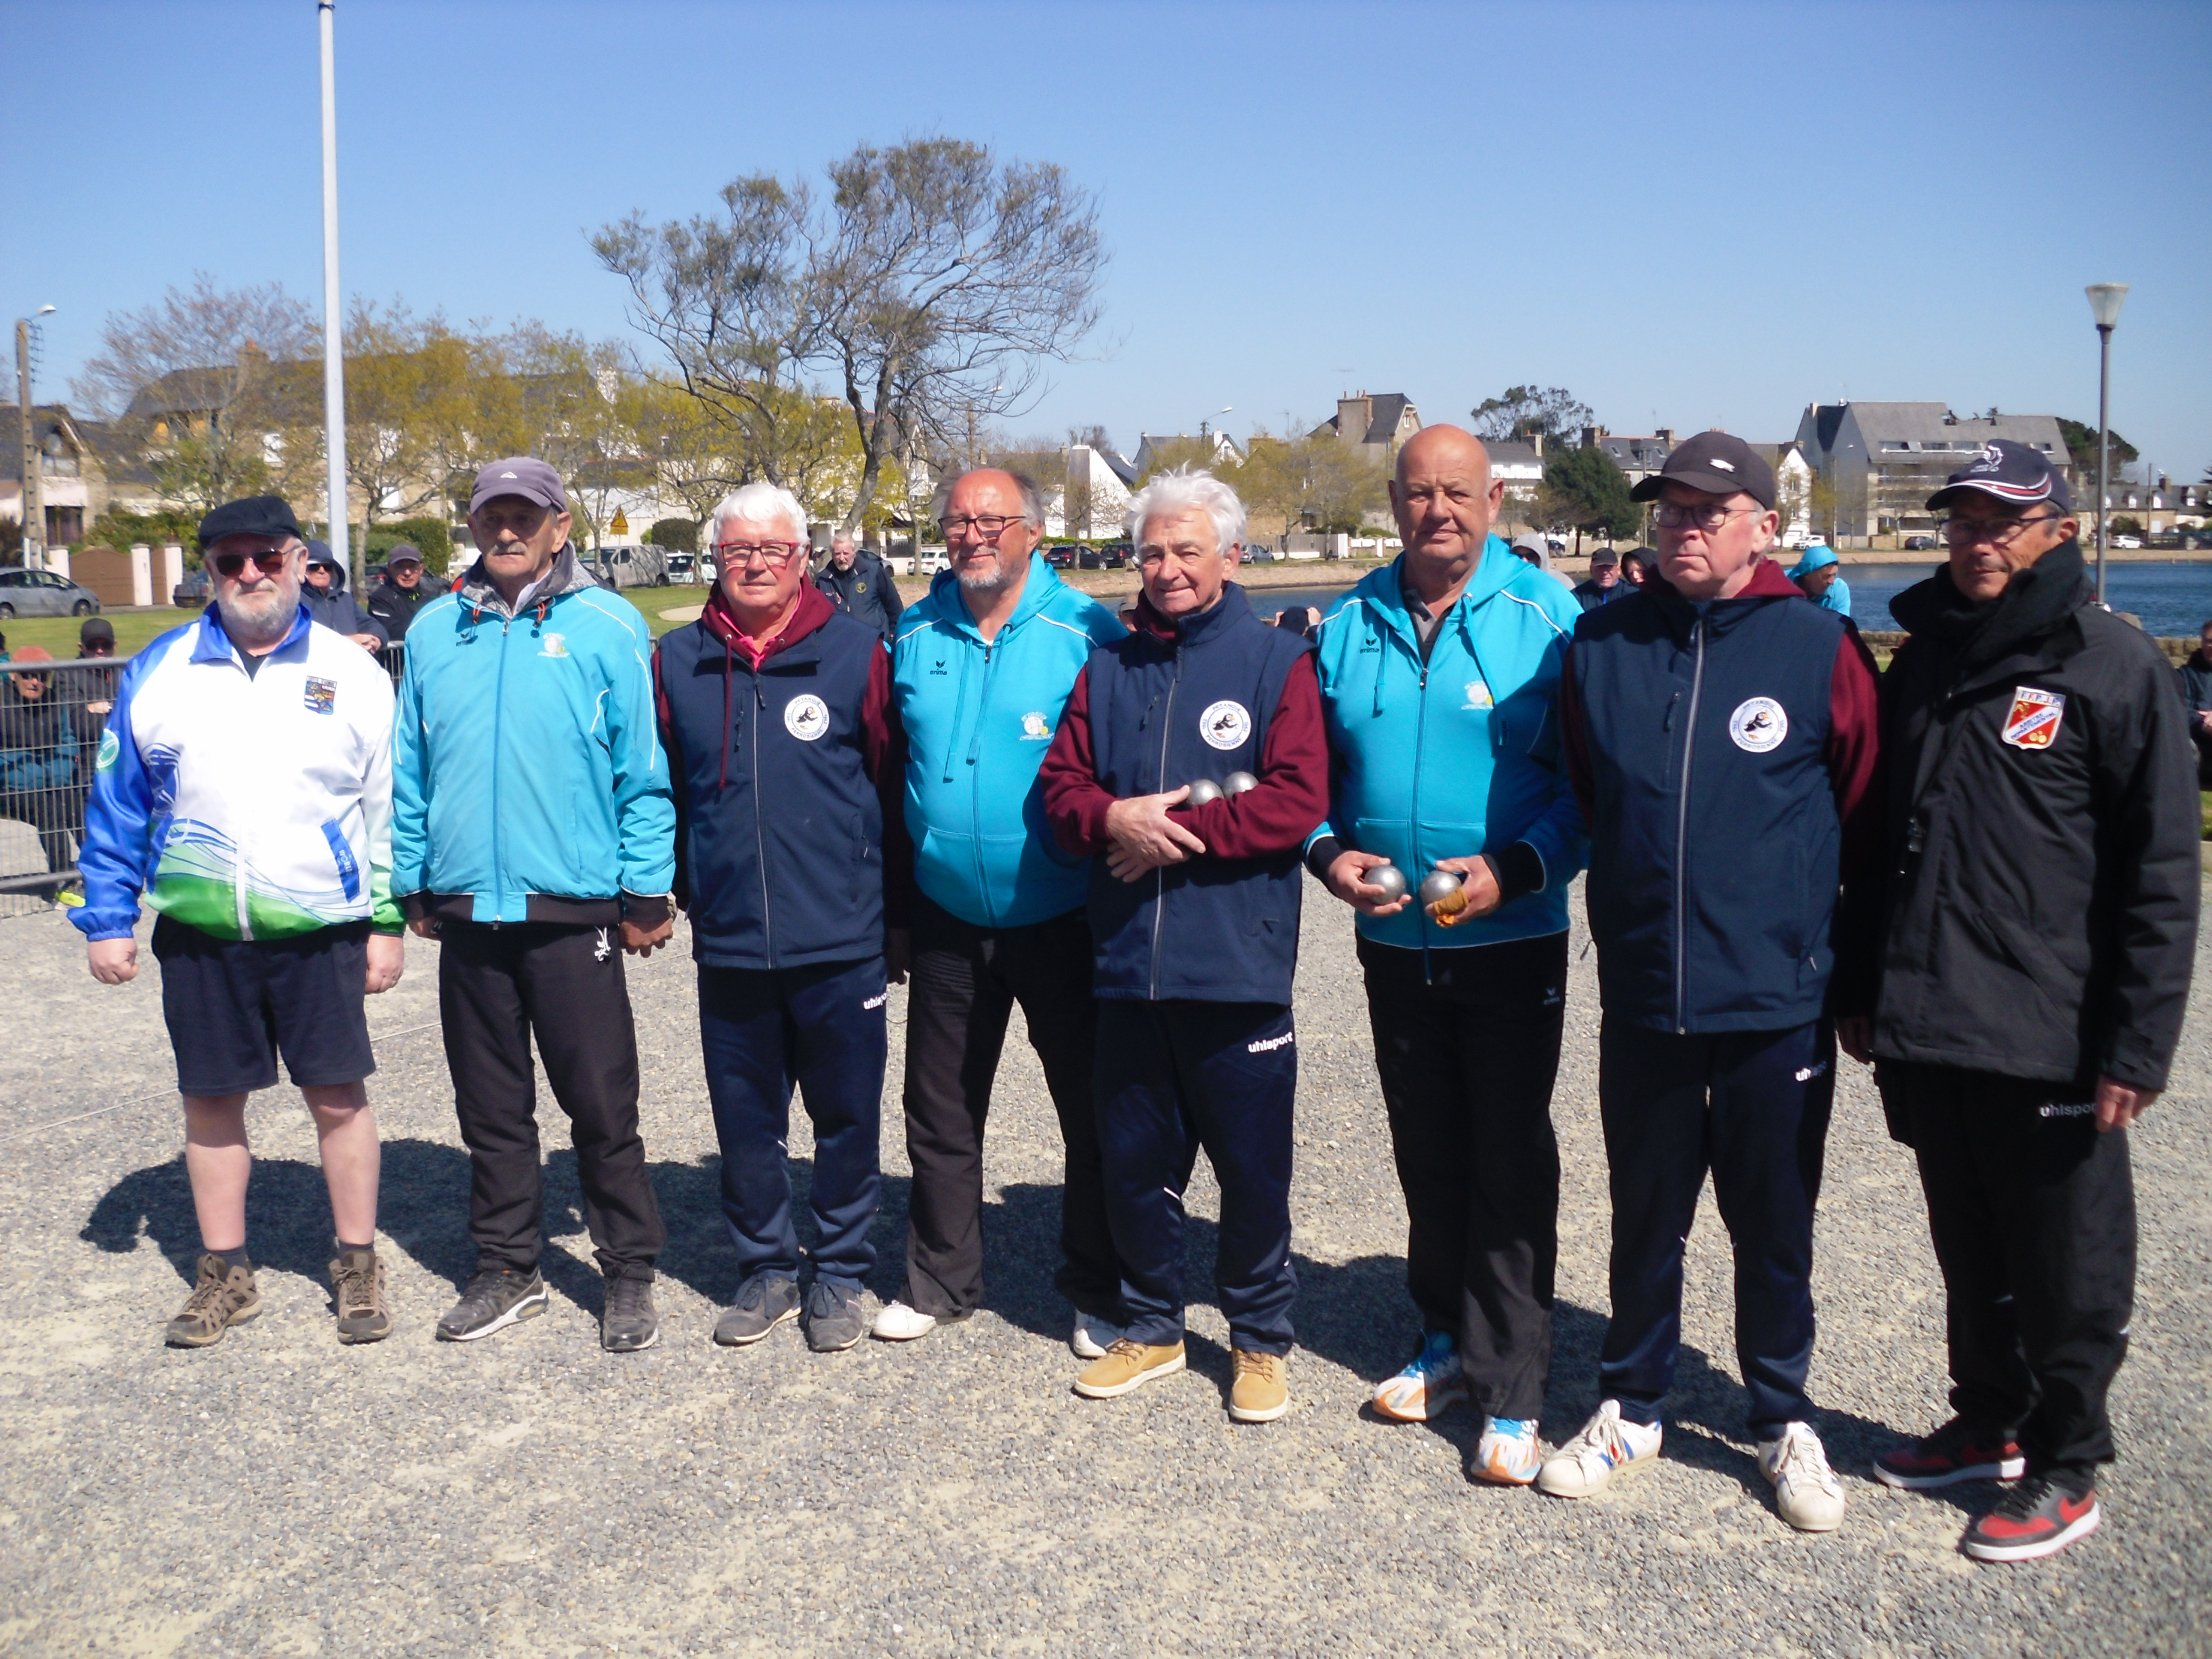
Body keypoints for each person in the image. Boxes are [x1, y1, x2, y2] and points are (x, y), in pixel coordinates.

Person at [1845, 440, 2198, 1563]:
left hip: (2048, 1030)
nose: (1975, 536)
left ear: (2057, 529)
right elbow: (1876, 839)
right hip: (1930, 1020)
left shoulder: (2110, 665)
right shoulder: (1927, 659)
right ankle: (1983, 1419)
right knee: (1965, 1240)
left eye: (2002, 518)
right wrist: (1861, 986)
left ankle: (2064, 1457)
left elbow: (2157, 872)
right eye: (1960, 517)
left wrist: (2134, 1046)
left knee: (2066, 1259)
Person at [1547, 432, 1881, 1532]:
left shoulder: (1813, 646)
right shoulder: (1600, 644)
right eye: (1668, 509)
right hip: (1645, 989)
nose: (1682, 525)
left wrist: (1838, 967)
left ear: (1759, 526)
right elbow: (1588, 793)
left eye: (1707, 509)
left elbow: (1861, 806)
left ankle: (1779, 1412)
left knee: (1771, 1220)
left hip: (1770, 1000)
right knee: (1644, 1214)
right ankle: (1632, 1399)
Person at [1303, 424, 1588, 1483]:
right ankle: (1444, 1340)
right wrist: (1327, 854)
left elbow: (1585, 792)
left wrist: (1514, 870)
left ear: (1495, 500)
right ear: (1393, 500)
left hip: (1511, 937)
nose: (1440, 512)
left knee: (1508, 1156)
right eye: (1420, 494)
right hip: (1393, 938)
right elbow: (1306, 773)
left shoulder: (1549, 622)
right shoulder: (1347, 623)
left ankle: (1512, 1385)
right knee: (1426, 1146)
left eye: (1460, 493)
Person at [72, 493, 405, 1347]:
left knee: (338, 1099)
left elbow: (387, 808)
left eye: (267, 557)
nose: (250, 574)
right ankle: (227, 1273)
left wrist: (386, 920)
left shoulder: (353, 671)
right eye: (231, 562)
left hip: (320, 926)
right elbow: (117, 806)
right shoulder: (159, 670)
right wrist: (107, 917)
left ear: (301, 561)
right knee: (211, 1104)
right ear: (209, 572)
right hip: (202, 931)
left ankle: (359, 1264)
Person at [1040, 469, 1329, 1422]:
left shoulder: (1275, 664)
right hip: (1126, 968)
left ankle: (1258, 1338)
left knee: (1252, 1175)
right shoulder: (1109, 666)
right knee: (1134, 1165)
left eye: (1186, 550)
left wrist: (1177, 827)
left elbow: (1295, 798)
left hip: (1235, 968)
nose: (1165, 568)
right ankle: (1155, 1325)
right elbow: (1061, 795)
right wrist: (1112, 816)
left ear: (1230, 557)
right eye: (1152, 551)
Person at [391, 457, 677, 1353]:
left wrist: (645, 888)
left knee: (600, 1104)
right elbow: (410, 765)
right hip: (470, 905)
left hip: (574, 908)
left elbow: (644, 772)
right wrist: (412, 875)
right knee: (491, 1108)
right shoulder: (438, 629)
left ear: (561, 525)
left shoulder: (607, 623)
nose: (507, 532)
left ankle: (627, 1269)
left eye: (527, 516)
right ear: (472, 527)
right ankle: (508, 1266)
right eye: (492, 516)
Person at [875, 466, 1131, 1355]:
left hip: (1063, 912)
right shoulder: (913, 631)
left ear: (1031, 530)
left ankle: (1099, 1285)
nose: (974, 536)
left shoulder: (1088, 632)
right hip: (949, 913)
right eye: (958, 522)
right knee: (939, 1105)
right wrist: (899, 912)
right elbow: (893, 776)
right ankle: (941, 1277)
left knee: (1090, 1105)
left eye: (992, 520)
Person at [655, 482, 909, 1355]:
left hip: (839, 936)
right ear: (715, 561)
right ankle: (764, 1266)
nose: (755, 563)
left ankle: (839, 1270)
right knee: (745, 1120)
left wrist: (891, 915)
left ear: (804, 559)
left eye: (772, 549)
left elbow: (887, 779)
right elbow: (668, 791)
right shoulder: (678, 660)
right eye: (736, 551)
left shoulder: (855, 652)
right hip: (729, 937)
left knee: (846, 1117)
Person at [0, 646, 81, 880]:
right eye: (28, 675)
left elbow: (68, 740)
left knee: (78, 807)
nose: (35, 682)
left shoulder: (56, 699)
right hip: (12, 786)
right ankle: (61, 879)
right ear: (13, 674)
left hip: (53, 780)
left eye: (42, 676)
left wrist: (58, 772)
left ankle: (97, 869)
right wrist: (34, 774)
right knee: (49, 810)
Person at [815, 531, 906, 642]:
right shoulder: (823, 580)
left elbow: (894, 607)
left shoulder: (874, 571)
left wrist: (893, 635)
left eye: (846, 553)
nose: (841, 558)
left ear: (854, 553)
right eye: (837, 554)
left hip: (874, 642)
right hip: (841, 644)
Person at [299, 541, 388, 653]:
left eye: (327, 567)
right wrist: (349, 642)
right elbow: (301, 641)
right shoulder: (295, 601)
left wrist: (376, 640)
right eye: (314, 567)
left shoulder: (345, 599)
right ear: (302, 569)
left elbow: (373, 625)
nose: (322, 571)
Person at [367, 544, 432, 642]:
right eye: (400, 567)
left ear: (421, 569)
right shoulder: (379, 598)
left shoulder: (430, 597)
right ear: (389, 570)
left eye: (412, 567)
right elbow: (391, 630)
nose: (407, 573)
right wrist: (432, 630)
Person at [2175, 619, 2212, 787]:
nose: (2211, 646)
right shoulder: (2186, 675)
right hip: (2198, 741)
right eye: (2208, 641)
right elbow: (2180, 710)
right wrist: (2203, 721)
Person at [73, 615, 119, 748]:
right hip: (90, 755)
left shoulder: (127, 671)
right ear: (81, 647)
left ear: (115, 645)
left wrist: (107, 707)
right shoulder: (68, 674)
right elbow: (81, 724)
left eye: (106, 645)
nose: (100, 651)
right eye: (92, 646)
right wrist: (121, 710)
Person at [1787, 544, 1851, 616]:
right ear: (1807, 574)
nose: (1832, 581)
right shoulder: (1783, 583)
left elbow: (1842, 625)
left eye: (1834, 575)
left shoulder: (1839, 589)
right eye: (1827, 576)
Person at [1572, 546, 1626, 611]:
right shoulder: (1578, 595)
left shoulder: (1631, 594)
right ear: (1591, 570)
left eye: (1609, 567)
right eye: (1599, 568)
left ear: (1619, 570)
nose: (1604, 572)